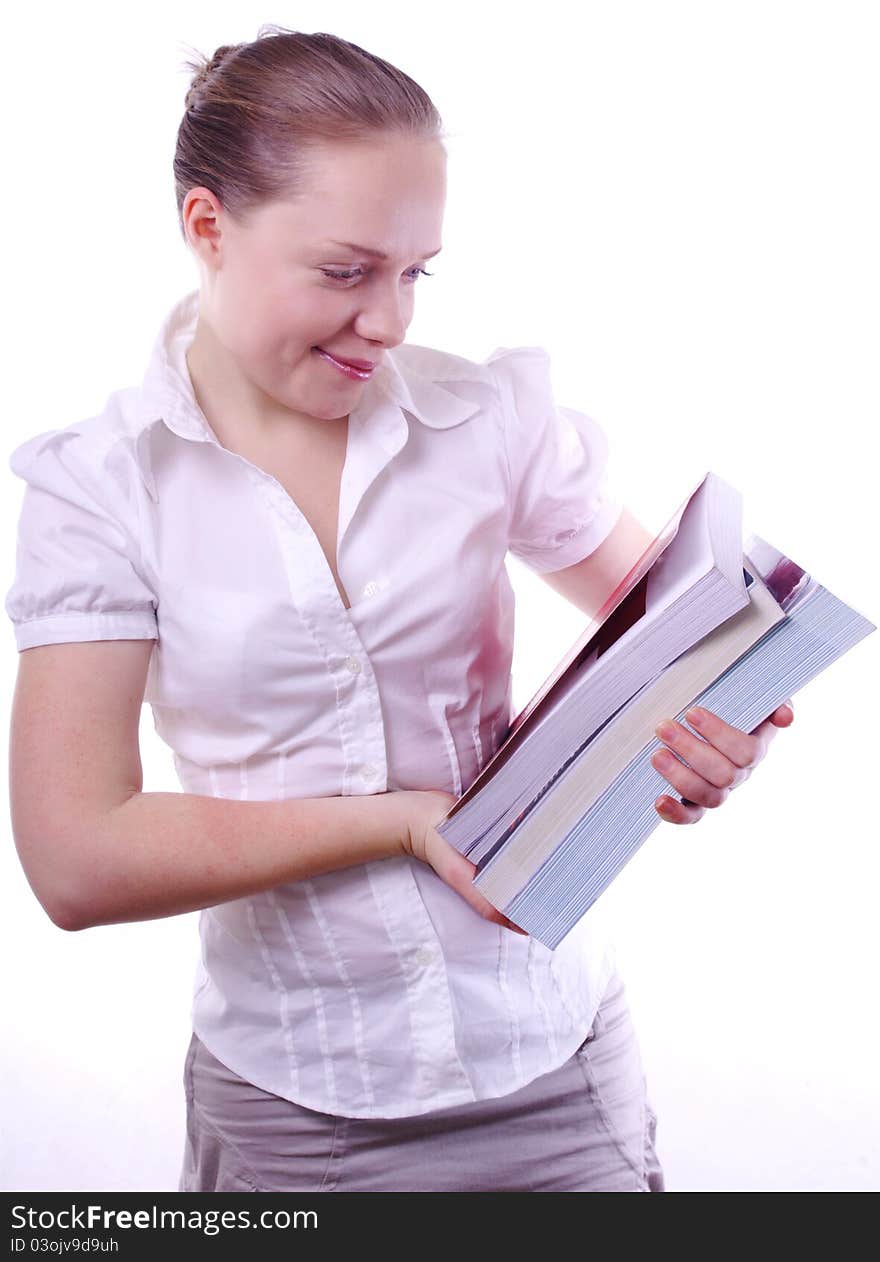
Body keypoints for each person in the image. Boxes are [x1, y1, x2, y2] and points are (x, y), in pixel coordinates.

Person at [5, 26, 793, 1193]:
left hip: (554, 1069)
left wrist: (707, 731)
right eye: (344, 270)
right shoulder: (100, 487)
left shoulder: (486, 423)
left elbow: (679, 638)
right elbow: (75, 858)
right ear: (207, 226)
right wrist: (406, 818)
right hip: (294, 1110)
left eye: (415, 271)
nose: (388, 321)